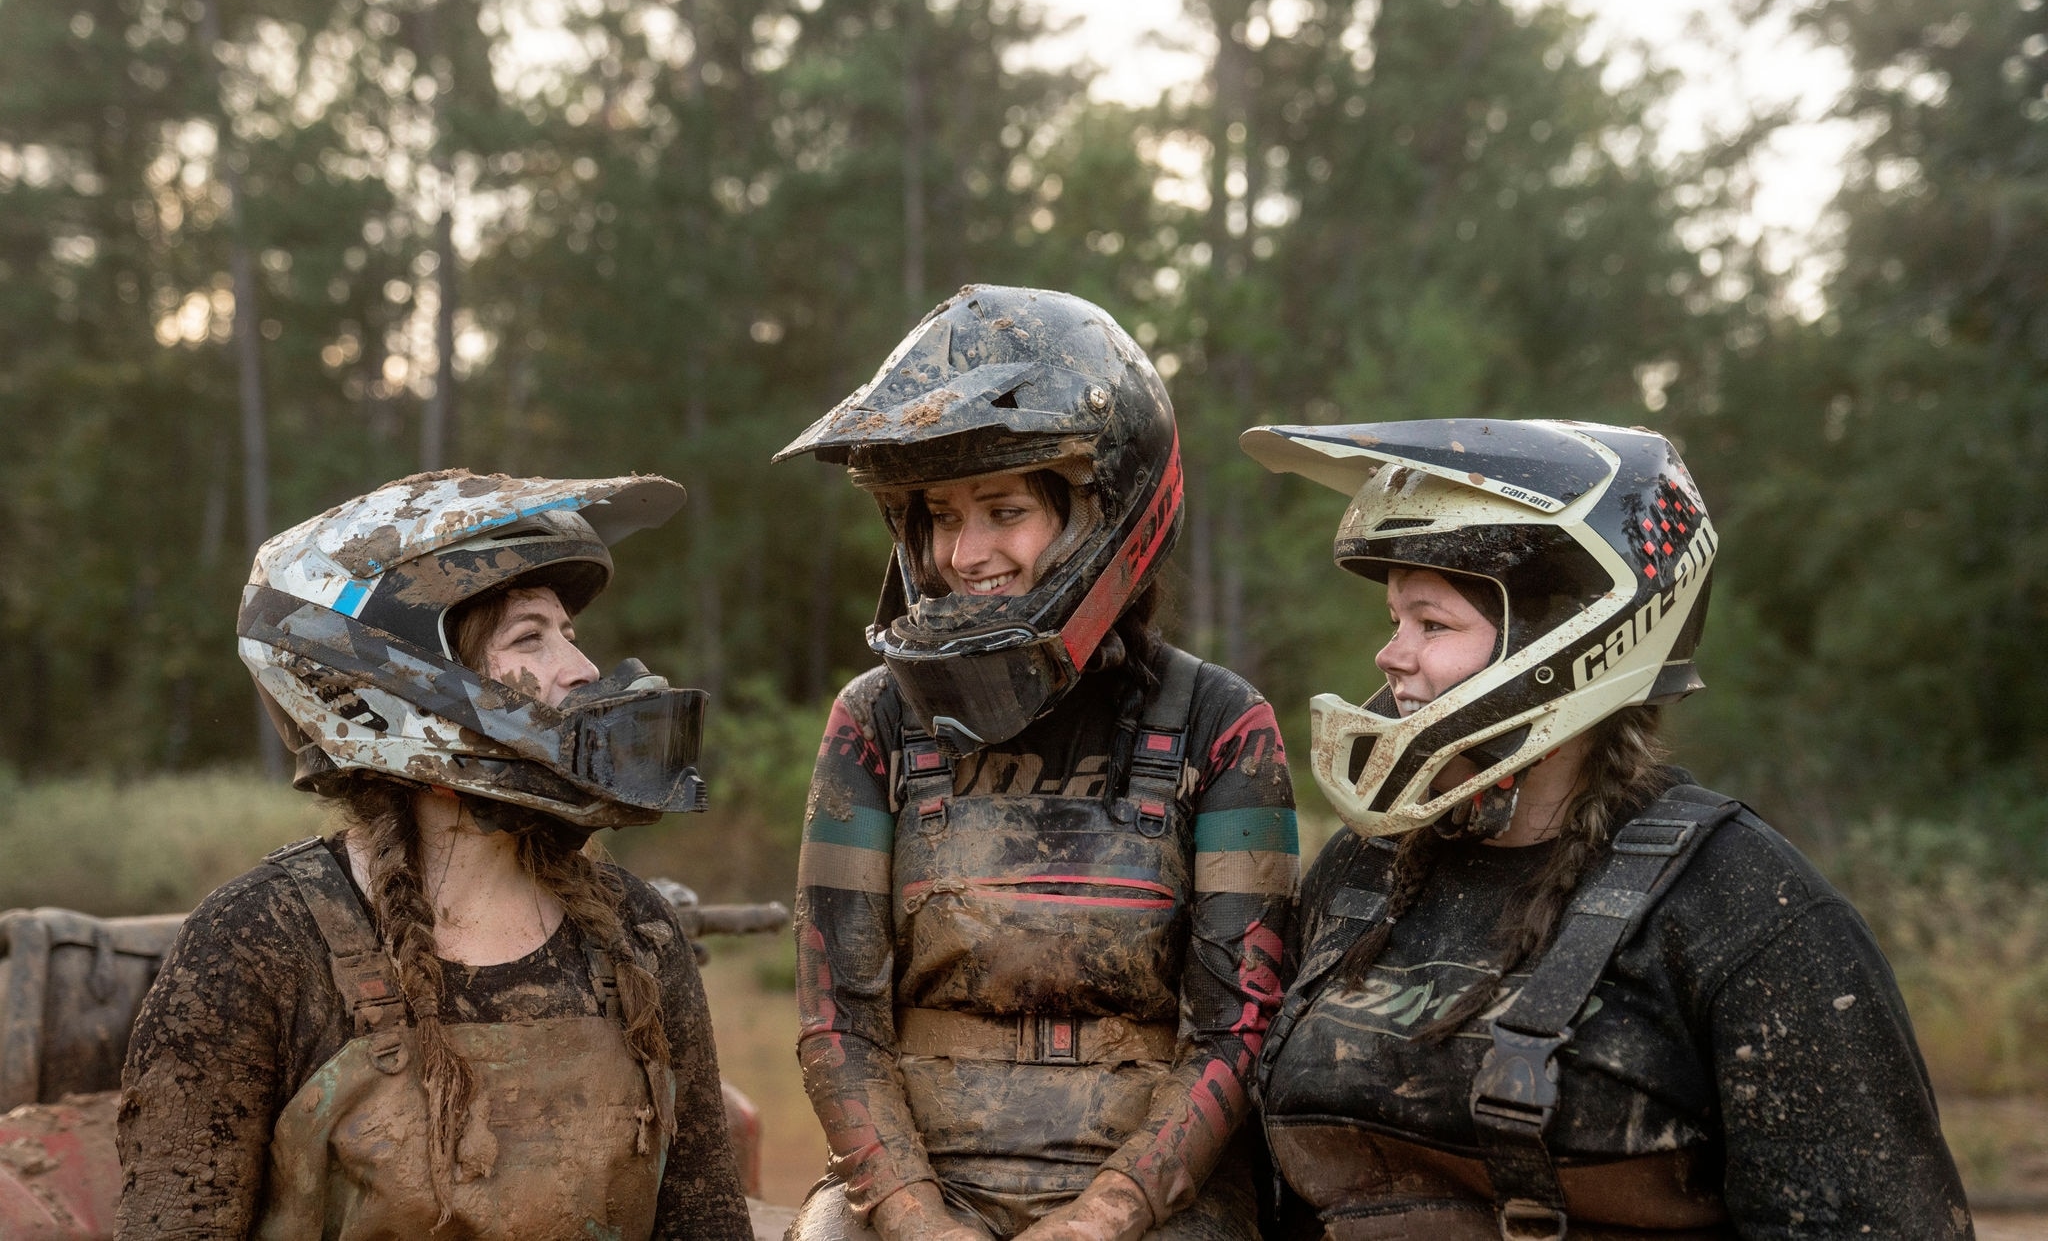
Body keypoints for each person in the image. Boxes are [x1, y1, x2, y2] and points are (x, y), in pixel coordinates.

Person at [1240, 417, 1972, 1240]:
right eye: (1394, 620)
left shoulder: (1744, 912)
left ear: (1565, 647)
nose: (1391, 656)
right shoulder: (1362, 876)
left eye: (1433, 624)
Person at [775, 286, 1298, 1241]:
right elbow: (835, 1019)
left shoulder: (1221, 726)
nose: (966, 552)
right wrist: (912, 1216)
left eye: (1004, 509)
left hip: (1157, 1201)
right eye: (939, 514)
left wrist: (1107, 1215)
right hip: (911, 1188)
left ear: (1104, 510)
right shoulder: (874, 722)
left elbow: (1238, 1028)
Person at [116, 470, 753, 1241]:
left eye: (570, 635)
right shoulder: (257, 945)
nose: (583, 671)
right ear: (401, 690)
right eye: (531, 638)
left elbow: (707, 1224)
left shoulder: (635, 933)